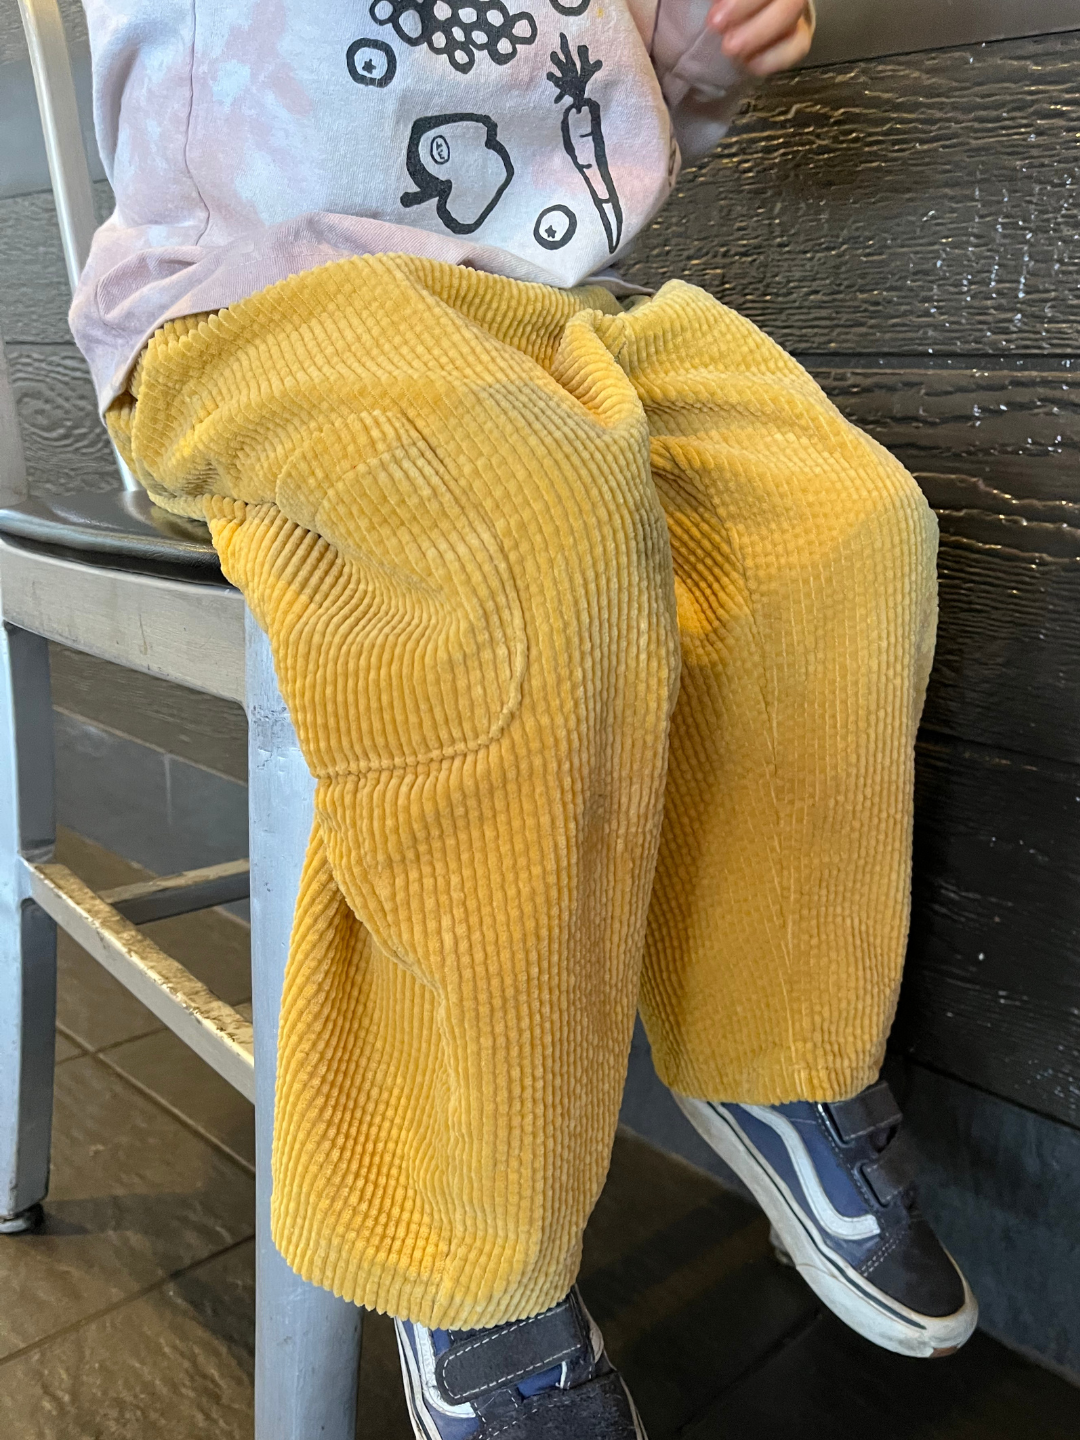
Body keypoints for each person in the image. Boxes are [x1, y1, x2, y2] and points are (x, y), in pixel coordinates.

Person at [71, 0, 977, 1433]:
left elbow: (614, 86)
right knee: (518, 547)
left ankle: (775, 1048)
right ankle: (465, 1236)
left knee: (843, 527)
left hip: (554, 306)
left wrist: (699, 54)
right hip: (248, 298)